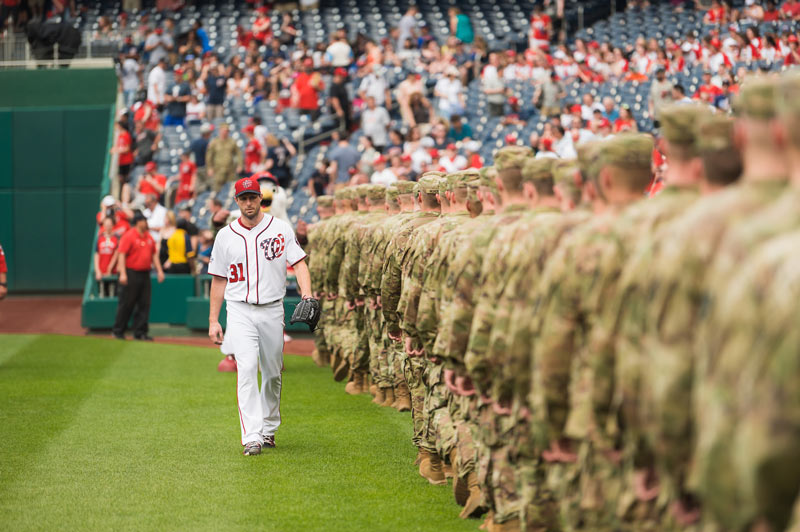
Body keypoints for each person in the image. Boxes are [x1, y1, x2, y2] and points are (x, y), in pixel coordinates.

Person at [208, 177, 312, 456]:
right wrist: (213, 320)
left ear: (260, 198)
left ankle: (268, 428)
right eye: (244, 198)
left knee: (272, 372)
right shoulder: (225, 236)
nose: (249, 202)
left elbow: (299, 263)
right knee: (246, 369)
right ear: (237, 201)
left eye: (253, 197)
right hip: (239, 309)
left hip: (271, 308)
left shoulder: (279, 229)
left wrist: (307, 294)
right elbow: (218, 280)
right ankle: (252, 435)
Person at [113, 211, 165, 340]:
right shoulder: (129, 235)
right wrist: (123, 273)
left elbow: (154, 254)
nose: (146, 223)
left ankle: (140, 332)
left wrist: (159, 271)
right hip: (131, 273)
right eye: (144, 220)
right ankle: (118, 330)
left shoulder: (148, 236)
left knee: (144, 303)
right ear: (138, 222)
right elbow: (121, 254)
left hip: (145, 273)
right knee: (127, 303)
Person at [207, 124, 243, 192]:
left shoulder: (232, 142)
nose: (225, 132)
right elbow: (209, 156)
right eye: (224, 130)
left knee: (232, 188)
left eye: (227, 131)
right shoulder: (214, 142)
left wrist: (240, 165)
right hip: (218, 170)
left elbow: (239, 154)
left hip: (230, 169)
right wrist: (210, 168)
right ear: (220, 131)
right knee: (217, 189)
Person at [95, 217, 120, 297]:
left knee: (112, 293)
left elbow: (117, 254)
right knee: (102, 293)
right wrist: (98, 270)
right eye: (106, 225)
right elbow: (96, 255)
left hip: (112, 272)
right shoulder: (100, 238)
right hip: (101, 272)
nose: (108, 227)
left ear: (113, 225)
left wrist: (110, 268)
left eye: (109, 225)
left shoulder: (116, 238)